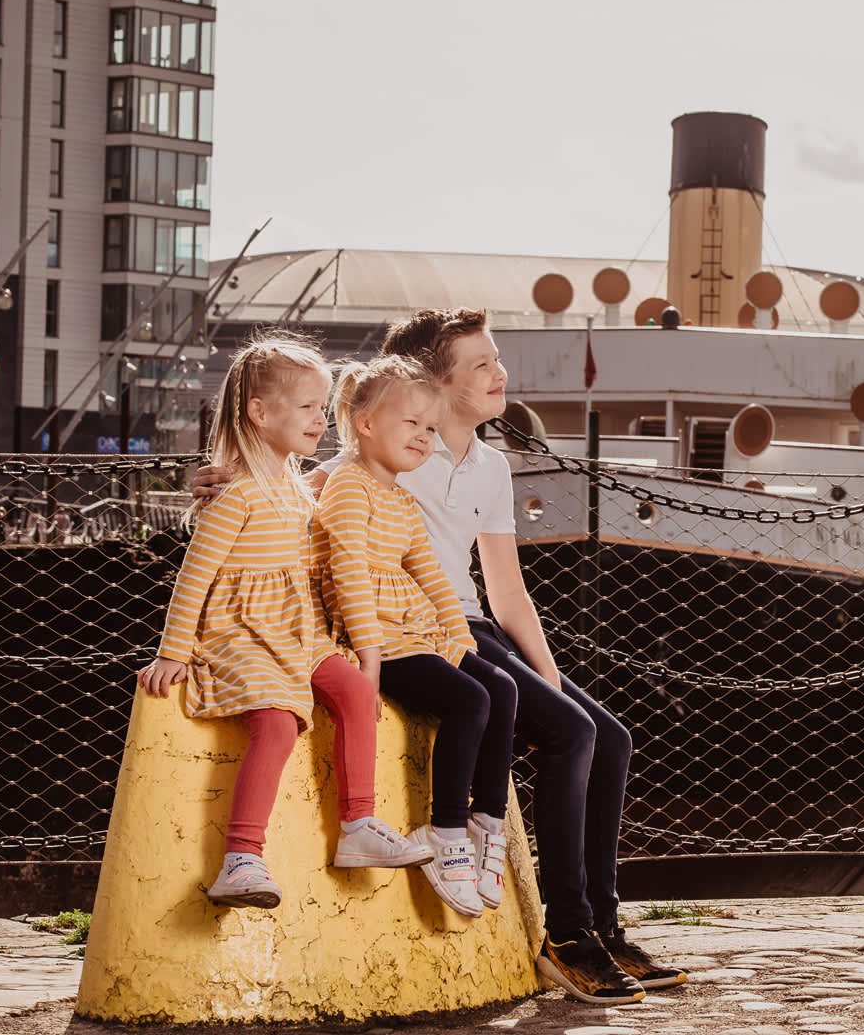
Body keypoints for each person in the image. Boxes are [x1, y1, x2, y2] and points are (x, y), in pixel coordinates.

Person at [193, 309, 682, 1005]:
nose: (499, 373)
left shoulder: (488, 466)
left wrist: (551, 679)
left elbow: (507, 593)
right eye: (480, 363)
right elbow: (281, 489)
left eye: (496, 360)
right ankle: (567, 934)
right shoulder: (383, 455)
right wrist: (212, 480)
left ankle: (603, 922)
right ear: (433, 383)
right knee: (570, 733)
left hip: (474, 626)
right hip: (412, 633)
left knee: (607, 731)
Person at [139, 331, 431, 909]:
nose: (320, 419)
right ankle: (241, 858)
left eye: (323, 407)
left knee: (355, 694)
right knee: (275, 723)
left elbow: (354, 469)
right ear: (259, 412)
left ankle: (358, 827)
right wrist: (173, 652)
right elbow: (193, 576)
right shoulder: (236, 494)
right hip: (242, 635)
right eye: (307, 407)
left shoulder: (301, 488)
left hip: (301, 631)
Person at [313, 356, 516, 921]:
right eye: (412, 425)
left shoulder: (401, 500)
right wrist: (370, 659)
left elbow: (432, 576)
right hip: (373, 637)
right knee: (469, 699)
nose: (425, 438)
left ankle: (486, 822)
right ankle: (446, 827)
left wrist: (460, 640)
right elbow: (349, 574)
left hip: (415, 630)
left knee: (500, 688)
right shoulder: (348, 488)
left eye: (431, 428)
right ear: (365, 423)